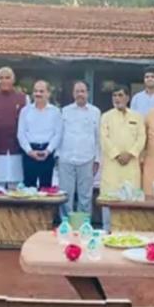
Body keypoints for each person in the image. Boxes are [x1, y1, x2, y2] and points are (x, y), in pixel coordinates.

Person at [100, 85, 145, 228]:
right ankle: (107, 231)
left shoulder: (137, 117)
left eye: (120, 95)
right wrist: (117, 154)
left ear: (127, 98)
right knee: (109, 199)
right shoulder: (106, 116)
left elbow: (142, 137)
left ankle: (130, 232)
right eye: (114, 96)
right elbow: (103, 138)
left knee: (131, 199)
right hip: (112, 165)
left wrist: (131, 154)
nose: (117, 99)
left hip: (131, 165)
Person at [57, 81, 100, 216]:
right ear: (73, 93)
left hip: (87, 159)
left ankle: (84, 227)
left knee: (85, 196)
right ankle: (66, 226)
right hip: (66, 159)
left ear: (87, 93)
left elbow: (98, 137)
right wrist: (57, 156)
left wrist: (97, 159)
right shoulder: (65, 111)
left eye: (82, 91)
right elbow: (59, 134)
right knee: (65, 195)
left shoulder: (95, 112)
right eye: (77, 91)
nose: (80, 94)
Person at [0, 67, 29, 188]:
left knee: (16, 185)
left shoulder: (24, 98)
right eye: (1, 78)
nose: (4, 81)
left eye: (7, 77)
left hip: (17, 149)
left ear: (13, 79)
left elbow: (28, 123)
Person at [17, 80, 62, 188]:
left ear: (48, 93)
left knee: (46, 189)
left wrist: (48, 150)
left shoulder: (55, 112)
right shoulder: (25, 111)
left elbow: (58, 134)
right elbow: (20, 134)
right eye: (36, 91)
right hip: (29, 153)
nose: (38, 94)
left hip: (47, 152)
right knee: (28, 189)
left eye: (41, 91)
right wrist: (29, 151)